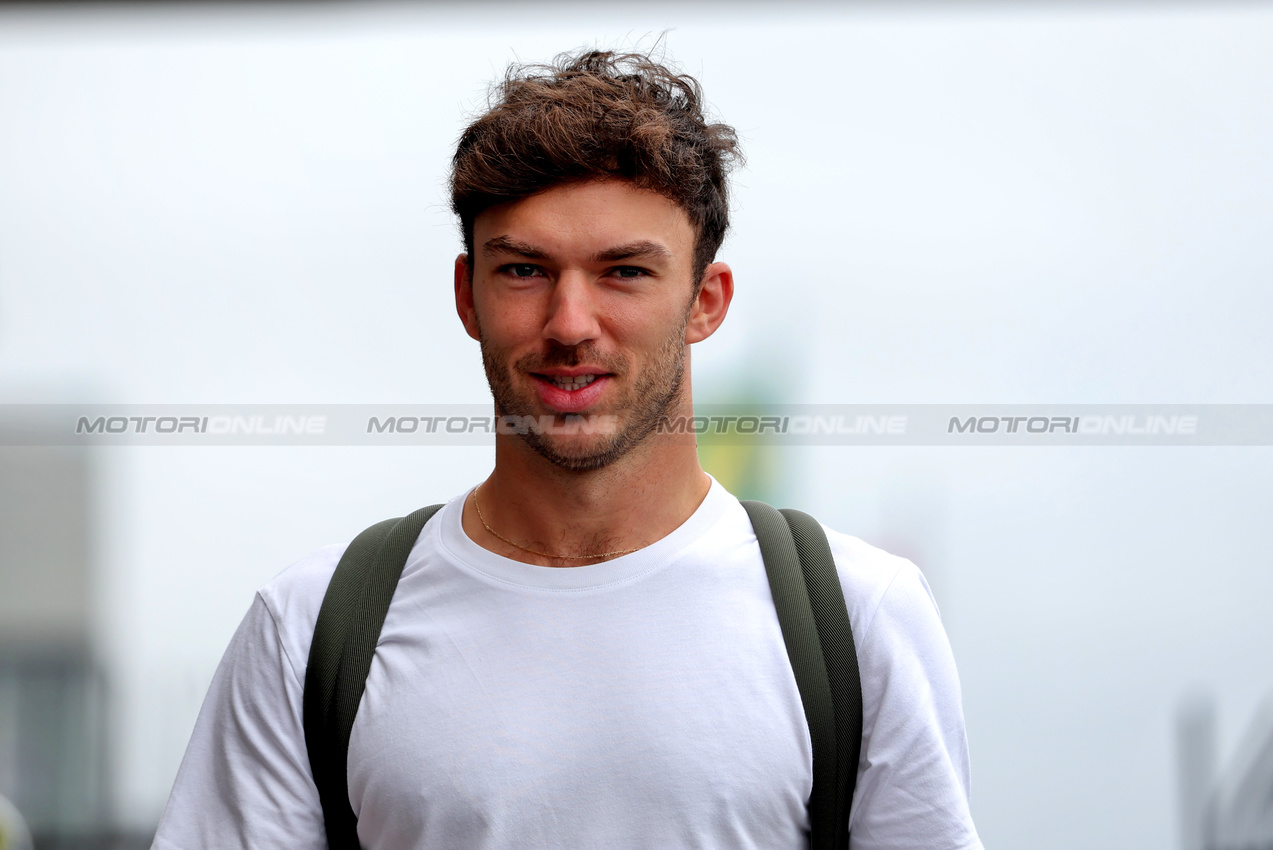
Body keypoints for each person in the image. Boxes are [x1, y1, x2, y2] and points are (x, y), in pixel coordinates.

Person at [151, 49, 982, 850]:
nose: (570, 324)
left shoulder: (857, 615)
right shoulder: (309, 628)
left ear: (706, 301)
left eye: (624, 271)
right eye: (522, 271)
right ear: (465, 293)